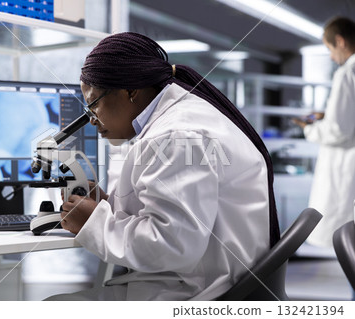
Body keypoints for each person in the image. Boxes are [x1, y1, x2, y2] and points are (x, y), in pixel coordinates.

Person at [49, 32, 280, 301]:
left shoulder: (176, 136)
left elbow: (173, 246)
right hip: (205, 279)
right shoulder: (175, 120)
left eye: (93, 103)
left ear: (130, 92)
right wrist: (108, 205)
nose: (91, 119)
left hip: (199, 293)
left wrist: (95, 223)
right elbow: (174, 213)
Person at [292, 17, 355, 248]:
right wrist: (327, 116)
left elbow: (339, 131)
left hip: (346, 166)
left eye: (329, 49)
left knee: (349, 244)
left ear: (340, 41)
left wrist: (309, 128)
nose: (330, 56)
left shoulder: (346, 73)